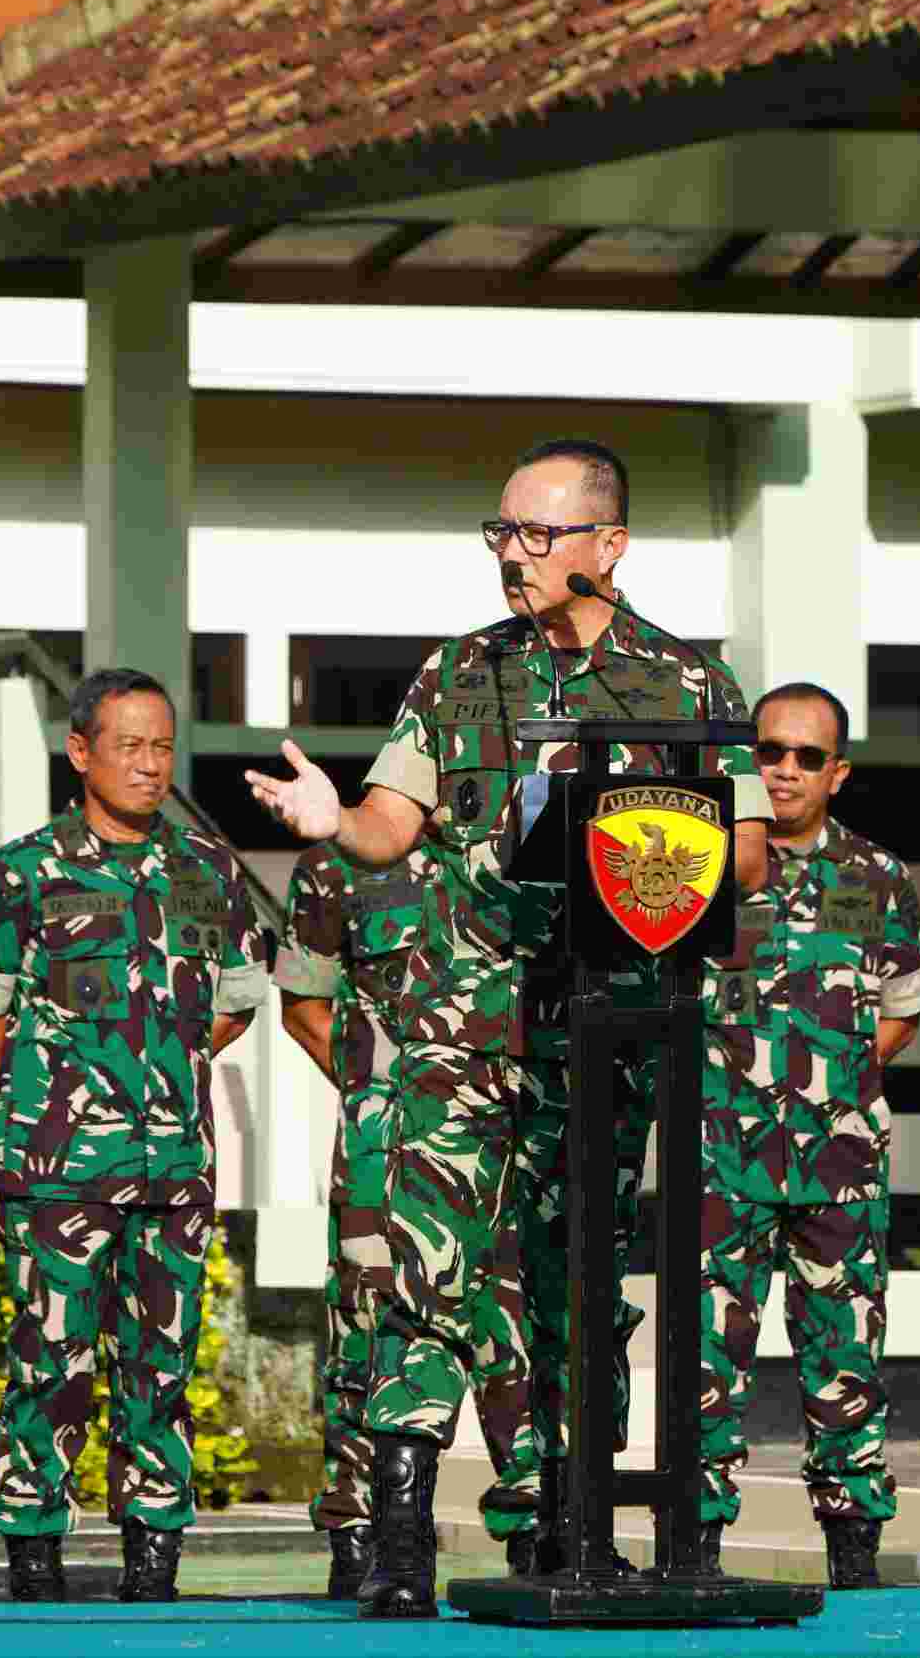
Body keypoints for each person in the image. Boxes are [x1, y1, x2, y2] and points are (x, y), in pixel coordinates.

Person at [248, 437, 771, 1616]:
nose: (511, 555)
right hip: (461, 1031)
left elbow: (741, 855)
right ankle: (399, 1535)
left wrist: (643, 849)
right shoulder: (459, 671)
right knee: (424, 1273)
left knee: (575, 1290)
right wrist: (334, 819)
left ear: (608, 545)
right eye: (500, 532)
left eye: (536, 533)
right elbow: (390, 822)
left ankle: (572, 1527)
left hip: (604, 1035)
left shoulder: (687, 685)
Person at [0, 668, 268, 1604]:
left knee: (161, 1369)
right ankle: (34, 1549)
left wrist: (157, 1080)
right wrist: (54, 1094)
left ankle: (153, 1553)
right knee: (50, 1366)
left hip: (174, 1174)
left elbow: (234, 1006)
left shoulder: (209, 873)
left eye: (162, 747)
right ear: (80, 752)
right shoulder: (19, 874)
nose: (149, 765)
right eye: (129, 746)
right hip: (58, 1176)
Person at [697, 682, 920, 1589]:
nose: (785, 770)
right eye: (769, 753)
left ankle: (853, 1547)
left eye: (807, 756)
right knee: (705, 1360)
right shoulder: (695, 863)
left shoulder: (877, 876)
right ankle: (697, 1543)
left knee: (846, 1358)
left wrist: (827, 1087)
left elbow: (901, 1012)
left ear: (837, 773)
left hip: (840, 1165)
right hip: (721, 1162)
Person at [275, 844, 535, 1598]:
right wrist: (387, 1095)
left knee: (522, 1327)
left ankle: (539, 1530)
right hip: (385, 1151)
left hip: (518, 1144)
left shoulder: (529, 849)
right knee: (371, 1324)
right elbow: (304, 1006)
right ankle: (368, 1535)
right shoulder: (337, 866)